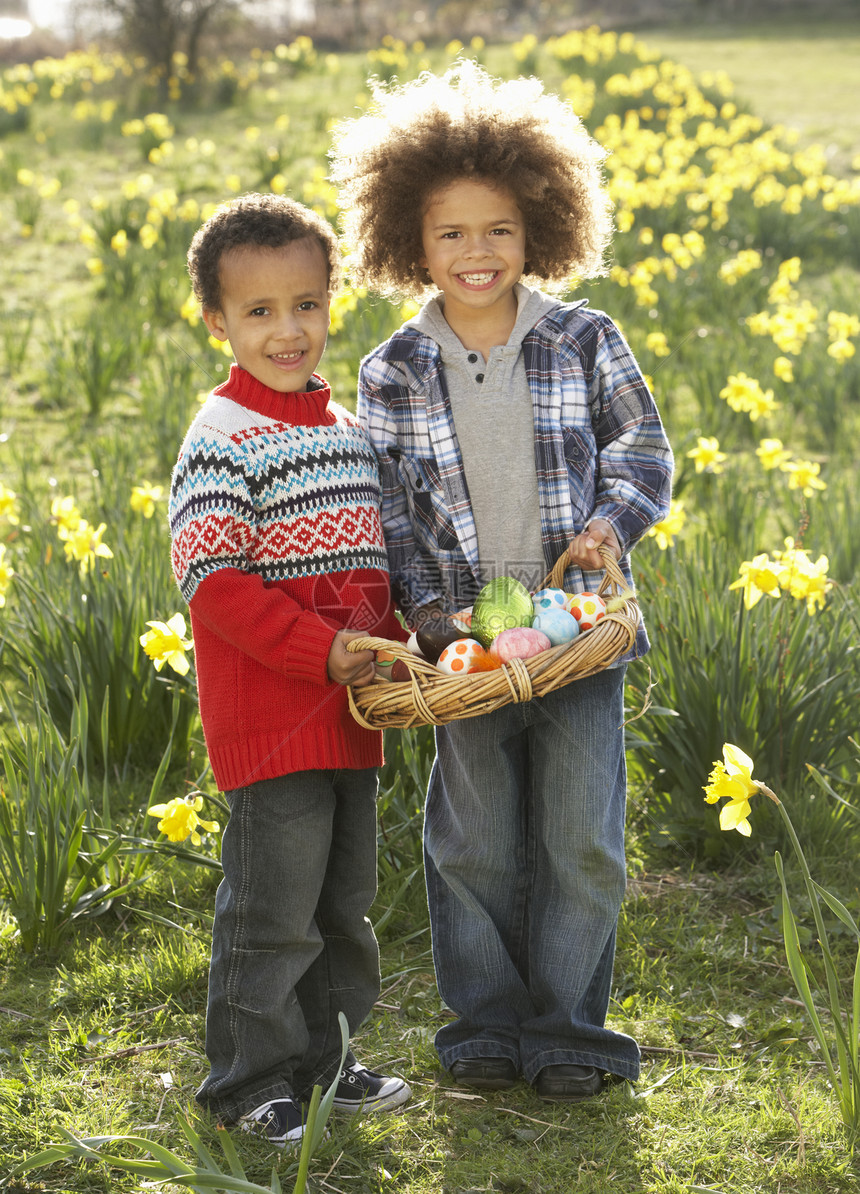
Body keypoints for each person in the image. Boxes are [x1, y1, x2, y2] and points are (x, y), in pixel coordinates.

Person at [329, 64, 673, 1102]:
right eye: (449, 234)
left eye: (497, 232)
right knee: (472, 841)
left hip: (573, 622)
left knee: (579, 836)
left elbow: (644, 452)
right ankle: (481, 1024)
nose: (475, 254)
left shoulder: (583, 338)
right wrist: (430, 622)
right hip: (465, 635)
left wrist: (609, 531)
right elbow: (388, 512)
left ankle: (570, 1030)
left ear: (539, 233)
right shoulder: (391, 371)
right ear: (408, 242)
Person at [168, 192, 411, 1147]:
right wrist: (321, 653)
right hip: (273, 719)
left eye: (305, 304)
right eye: (259, 312)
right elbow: (214, 582)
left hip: (353, 715)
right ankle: (248, 1081)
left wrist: (400, 647)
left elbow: (368, 570)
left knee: (342, 906)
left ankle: (328, 1058)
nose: (287, 329)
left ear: (330, 302)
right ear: (218, 322)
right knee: (273, 911)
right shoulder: (223, 437)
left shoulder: (345, 431)